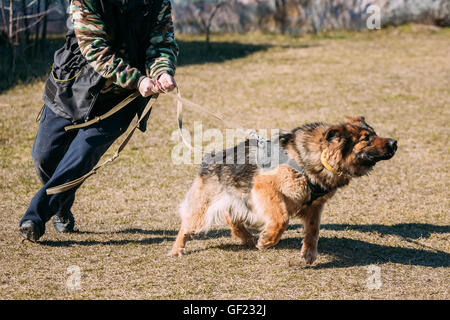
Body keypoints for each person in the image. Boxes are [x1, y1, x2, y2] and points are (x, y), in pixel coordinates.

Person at [18, 0, 178, 241]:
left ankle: (35, 217)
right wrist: (138, 79)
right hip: (71, 88)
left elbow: (161, 43)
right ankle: (61, 206)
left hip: (120, 100)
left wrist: (162, 71)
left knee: (80, 158)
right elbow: (94, 47)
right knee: (43, 157)